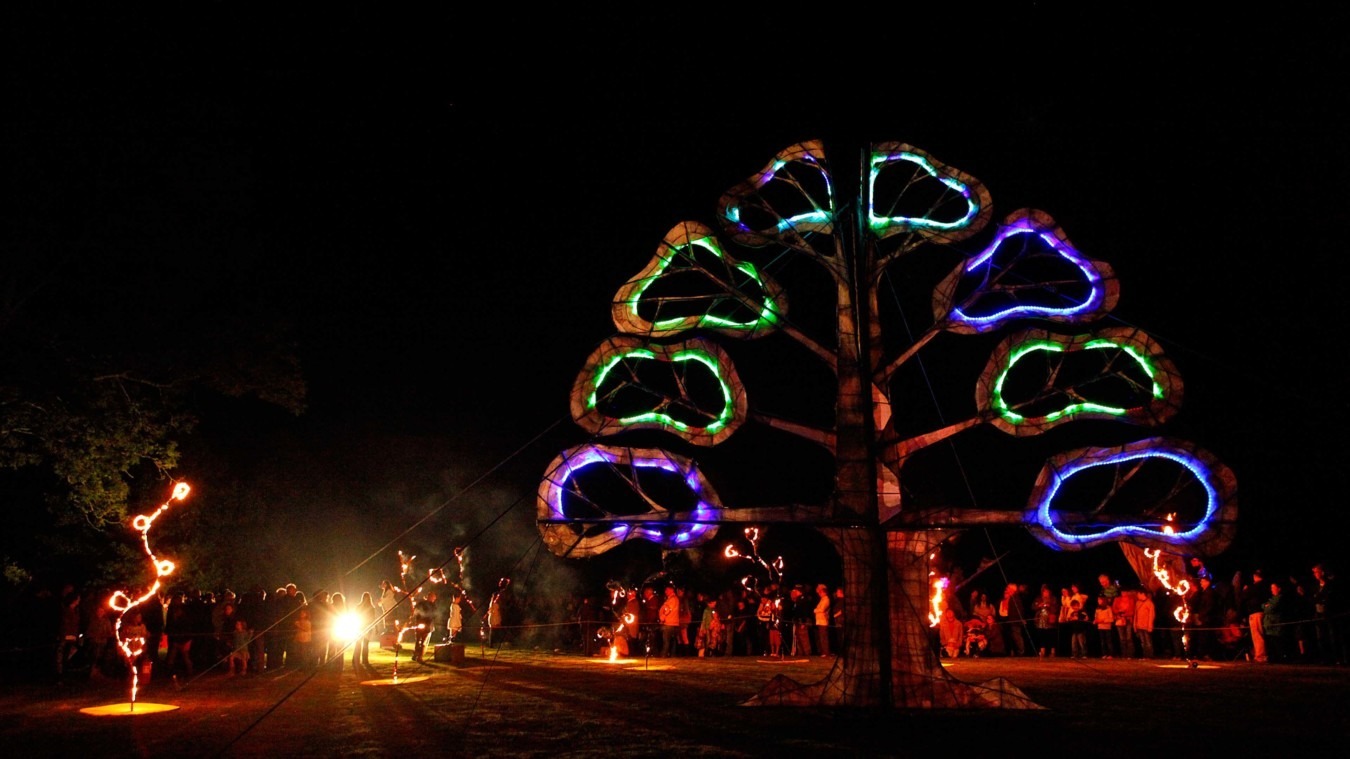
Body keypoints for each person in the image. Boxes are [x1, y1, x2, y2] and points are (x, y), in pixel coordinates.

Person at [1241, 569, 1272, 663]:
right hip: (1263, 611)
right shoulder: (1267, 586)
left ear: (1255, 576)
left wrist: (1245, 589)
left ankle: (1261, 655)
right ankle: (1261, 654)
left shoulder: (1254, 587)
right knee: (1261, 634)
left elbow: (1243, 596)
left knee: (1257, 634)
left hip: (1255, 612)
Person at [1032, 584, 1059, 657]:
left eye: (1047, 591)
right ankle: (1042, 651)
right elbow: (1033, 607)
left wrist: (1049, 606)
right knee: (1042, 635)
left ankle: (1052, 651)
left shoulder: (1053, 599)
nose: (1045, 593)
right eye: (1044, 591)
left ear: (1049, 592)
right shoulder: (1038, 598)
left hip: (1050, 621)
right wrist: (1039, 606)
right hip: (1040, 620)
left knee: (1051, 635)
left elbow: (1056, 609)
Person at [353, 591, 377, 667]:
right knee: (364, 644)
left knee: (359, 643)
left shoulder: (359, 606)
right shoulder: (371, 607)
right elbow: (373, 618)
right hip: (366, 626)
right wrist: (375, 627)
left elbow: (373, 618)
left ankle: (357, 659)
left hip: (362, 626)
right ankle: (364, 660)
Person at [658, 586, 681, 657]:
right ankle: (672, 654)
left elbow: (668, 609)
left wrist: (663, 617)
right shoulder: (673, 599)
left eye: (667, 590)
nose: (665, 592)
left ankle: (664, 654)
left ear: (671, 590)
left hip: (669, 623)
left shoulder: (672, 599)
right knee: (672, 641)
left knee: (666, 640)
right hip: (673, 622)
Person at [1133, 589, 1156, 659]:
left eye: (1138, 594)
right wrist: (1135, 625)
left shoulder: (1149, 603)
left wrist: (1150, 625)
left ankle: (1150, 655)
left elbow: (1151, 615)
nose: (1137, 596)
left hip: (1146, 625)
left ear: (1142, 594)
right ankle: (1145, 655)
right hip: (1139, 625)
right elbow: (1135, 615)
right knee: (1142, 642)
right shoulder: (1137, 603)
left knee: (1148, 642)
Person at [813, 584, 832, 658]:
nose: (819, 594)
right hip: (819, 621)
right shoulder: (822, 599)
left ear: (824, 592)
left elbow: (821, 609)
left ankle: (826, 652)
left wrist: (815, 610)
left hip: (823, 621)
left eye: (820, 592)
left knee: (824, 637)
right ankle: (823, 651)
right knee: (821, 637)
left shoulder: (826, 599)